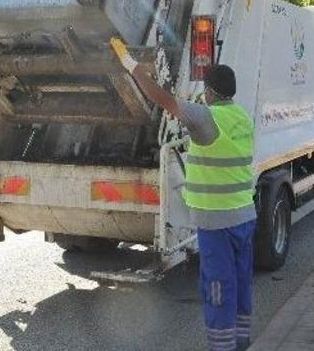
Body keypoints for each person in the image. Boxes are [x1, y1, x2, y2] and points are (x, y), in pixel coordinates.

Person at [110, 38, 257, 351]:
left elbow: (161, 98)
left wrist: (132, 66)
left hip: (216, 221)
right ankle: (241, 339)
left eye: (205, 90)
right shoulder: (242, 117)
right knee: (241, 278)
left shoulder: (207, 118)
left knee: (217, 284)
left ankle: (222, 346)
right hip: (244, 214)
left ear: (211, 92)